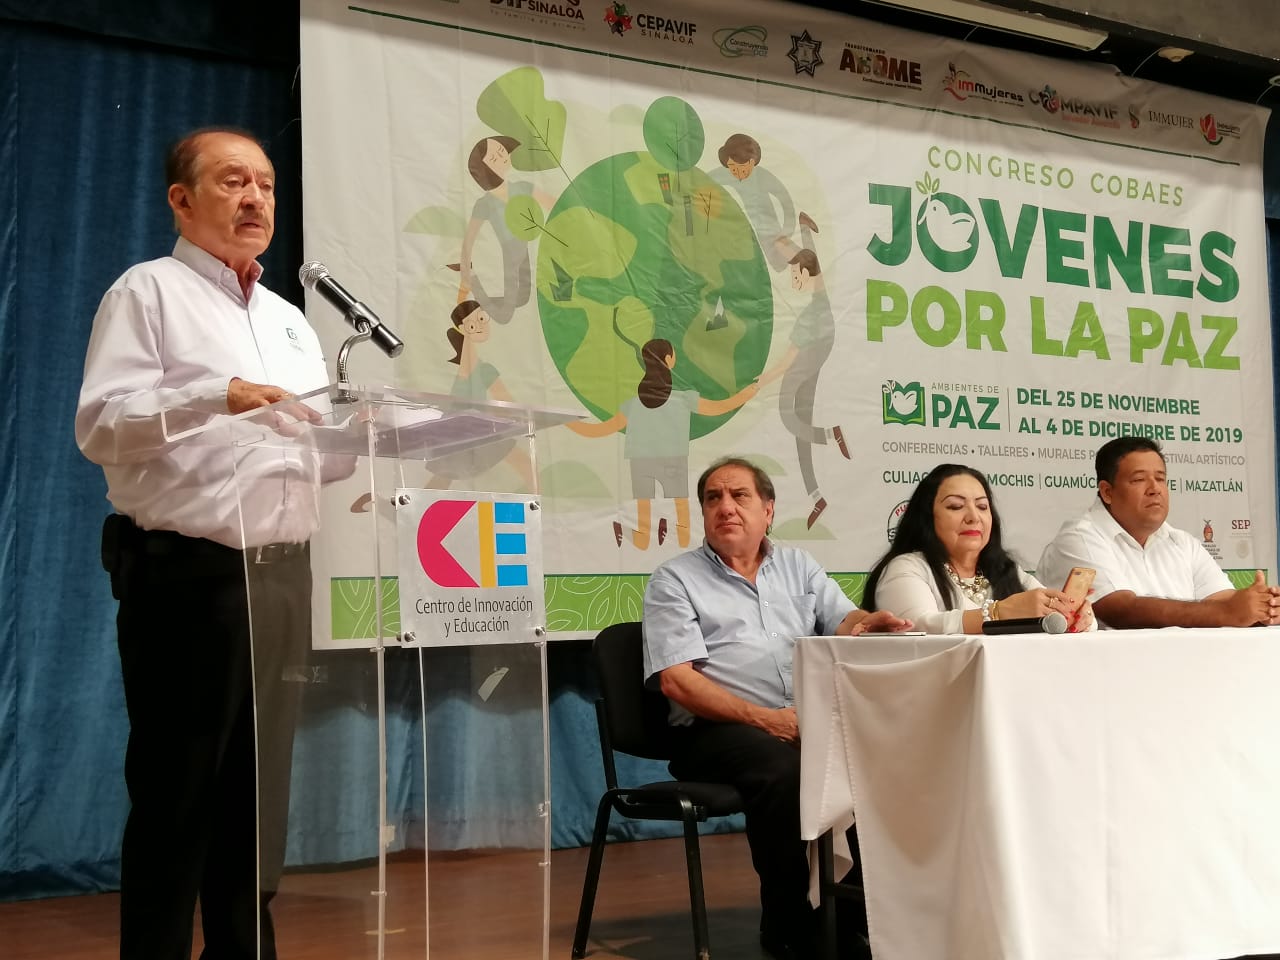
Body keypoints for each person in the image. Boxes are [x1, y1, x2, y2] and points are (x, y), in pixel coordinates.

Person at [76, 127, 340, 960]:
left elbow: (311, 451)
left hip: (282, 578)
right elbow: (100, 425)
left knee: (257, 805)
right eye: (233, 181)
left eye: (266, 183)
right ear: (181, 200)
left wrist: (376, 446)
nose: (256, 197)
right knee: (179, 798)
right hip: (192, 582)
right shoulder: (146, 292)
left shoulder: (290, 321)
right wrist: (212, 396)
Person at [642, 456, 911, 959]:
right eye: (713, 498)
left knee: (879, 757)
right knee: (783, 771)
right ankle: (789, 922)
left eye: (739, 496)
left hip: (799, 720)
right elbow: (677, 682)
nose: (726, 507)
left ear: (768, 510)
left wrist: (867, 622)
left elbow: (842, 619)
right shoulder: (674, 580)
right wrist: (766, 720)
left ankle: (853, 916)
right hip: (714, 730)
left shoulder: (798, 565)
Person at [1038, 437, 1280, 629]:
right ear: (1107, 492)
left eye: (1161, 478)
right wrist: (1228, 612)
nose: (1155, 489)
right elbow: (1120, 611)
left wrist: (1263, 608)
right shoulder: (1079, 537)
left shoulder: (1183, 543)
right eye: (1139, 480)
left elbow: (1224, 600)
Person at [568, 336, 757, 549]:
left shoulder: (634, 404)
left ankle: (638, 537)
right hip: (673, 459)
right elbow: (719, 407)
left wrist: (567, 423)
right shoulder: (684, 399)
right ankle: (682, 540)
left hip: (641, 461)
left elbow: (600, 429)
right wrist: (746, 394)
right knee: (680, 507)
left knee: (644, 509)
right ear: (668, 360)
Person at [863, 464, 1094, 633]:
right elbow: (918, 627)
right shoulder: (907, 567)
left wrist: (1080, 618)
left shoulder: (1005, 570)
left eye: (982, 507)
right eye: (956, 506)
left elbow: (1052, 614)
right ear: (927, 518)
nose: (973, 517)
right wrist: (1000, 613)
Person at [755, 249, 848, 528]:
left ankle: (830, 434)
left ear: (807, 273)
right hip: (813, 364)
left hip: (801, 368)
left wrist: (763, 380)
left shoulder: (811, 314)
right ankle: (816, 496)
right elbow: (813, 260)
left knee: (789, 417)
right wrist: (805, 231)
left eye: (796, 275)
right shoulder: (822, 301)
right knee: (800, 430)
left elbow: (787, 361)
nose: (793, 281)